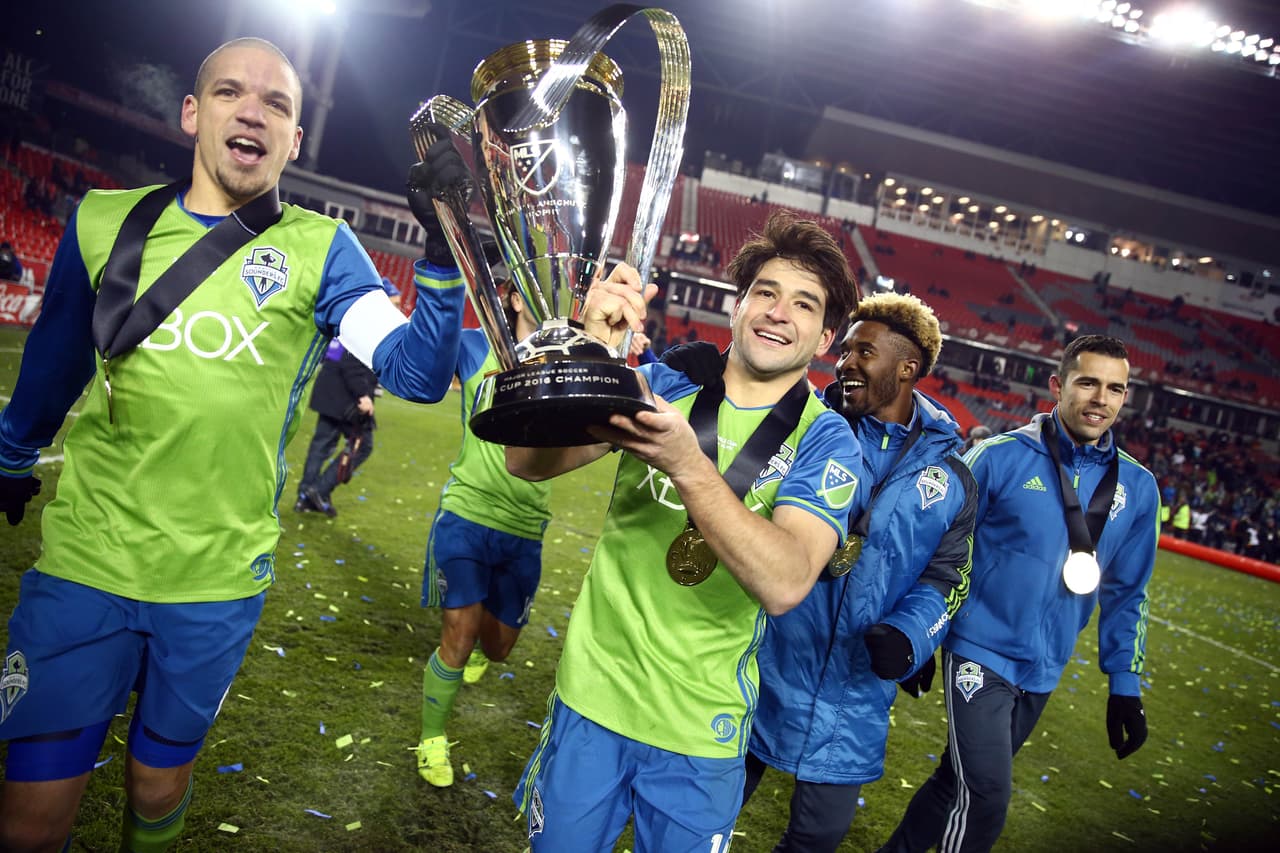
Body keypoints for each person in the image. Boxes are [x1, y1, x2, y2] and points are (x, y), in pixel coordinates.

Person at [0, 37, 470, 853]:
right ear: (193, 113)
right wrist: (10, 455)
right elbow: (52, 366)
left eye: (278, 104)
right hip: (85, 565)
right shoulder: (102, 220)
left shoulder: (324, 251)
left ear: (294, 140)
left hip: (216, 580)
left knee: (157, 785)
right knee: (30, 819)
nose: (252, 109)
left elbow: (417, 374)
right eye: (229, 92)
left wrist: (442, 256)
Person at [508, 211, 862, 853]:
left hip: (702, 729)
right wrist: (576, 351)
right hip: (593, 699)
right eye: (765, 293)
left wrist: (687, 464)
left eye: (804, 305)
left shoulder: (828, 440)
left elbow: (784, 582)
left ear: (826, 334)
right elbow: (528, 462)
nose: (779, 313)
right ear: (738, 306)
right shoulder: (664, 384)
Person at [878, 334, 1160, 853]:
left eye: (1115, 389)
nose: (1101, 398)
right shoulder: (999, 457)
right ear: (1057, 385)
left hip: (1044, 666)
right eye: (1088, 382)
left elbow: (1128, 593)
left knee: (954, 781)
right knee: (986, 796)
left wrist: (1125, 685)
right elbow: (935, 547)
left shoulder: (1139, 490)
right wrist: (920, 632)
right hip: (978, 652)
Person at [741, 292, 978, 852]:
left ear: (906, 369)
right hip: (759, 665)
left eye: (862, 352)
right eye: (844, 351)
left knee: (816, 840)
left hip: (855, 691)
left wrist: (910, 636)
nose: (845, 363)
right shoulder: (803, 429)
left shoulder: (953, 478)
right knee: (706, 815)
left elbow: (947, 578)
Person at [415, 277, 554, 788]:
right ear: (515, 299)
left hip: (524, 528)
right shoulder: (475, 345)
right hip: (467, 514)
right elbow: (424, 351)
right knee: (458, 635)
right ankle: (431, 738)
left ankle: (479, 647)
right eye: (536, 292)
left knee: (496, 649)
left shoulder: (564, 358)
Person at [294, 339, 378, 518]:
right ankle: (318, 490)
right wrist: (363, 394)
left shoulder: (353, 322)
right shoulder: (370, 327)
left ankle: (305, 497)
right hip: (346, 398)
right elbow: (351, 362)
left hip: (330, 391)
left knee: (321, 446)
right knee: (363, 445)